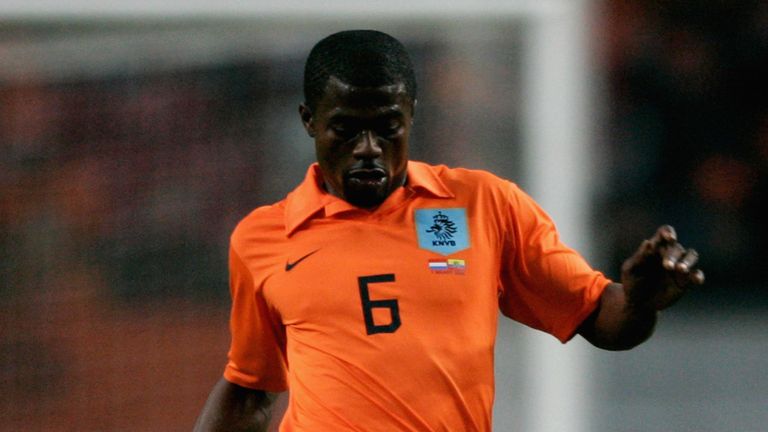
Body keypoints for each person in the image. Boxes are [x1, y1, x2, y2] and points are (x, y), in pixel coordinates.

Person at [193, 29, 704, 432]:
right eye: (347, 129)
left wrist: (638, 302)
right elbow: (252, 390)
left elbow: (601, 319)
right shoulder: (262, 238)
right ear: (309, 120)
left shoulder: (483, 205)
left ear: (411, 116)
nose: (368, 147)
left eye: (387, 126)